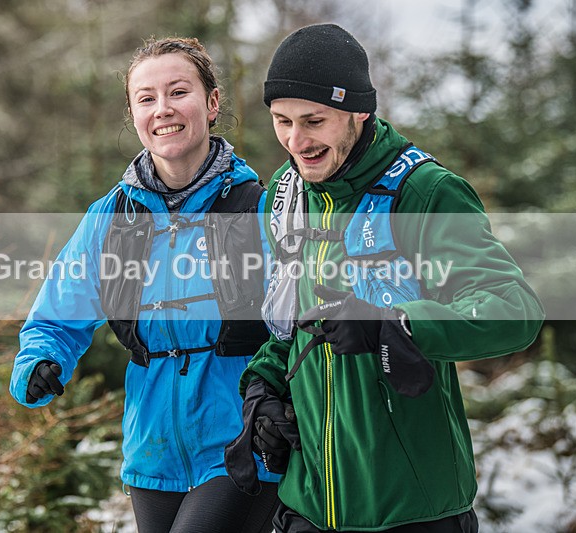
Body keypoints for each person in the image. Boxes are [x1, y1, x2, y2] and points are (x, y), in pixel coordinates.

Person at [224, 24, 545, 532]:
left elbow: (513, 310)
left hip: (410, 508)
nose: (296, 141)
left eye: (314, 121)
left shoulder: (425, 193)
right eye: (281, 121)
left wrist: (393, 322)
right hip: (308, 507)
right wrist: (260, 389)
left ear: (359, 111)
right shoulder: (285, 198)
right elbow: (289, 329)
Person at [9, 36, 281, 533]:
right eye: (146, 98)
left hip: (241, 437)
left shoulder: (257, 208)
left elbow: (304, 322)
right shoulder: (109, 218)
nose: (163, 110)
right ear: (133, 112)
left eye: (179, 92)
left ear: (212, 102)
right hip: (151, 447)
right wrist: (38, 359)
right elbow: (56, 313)